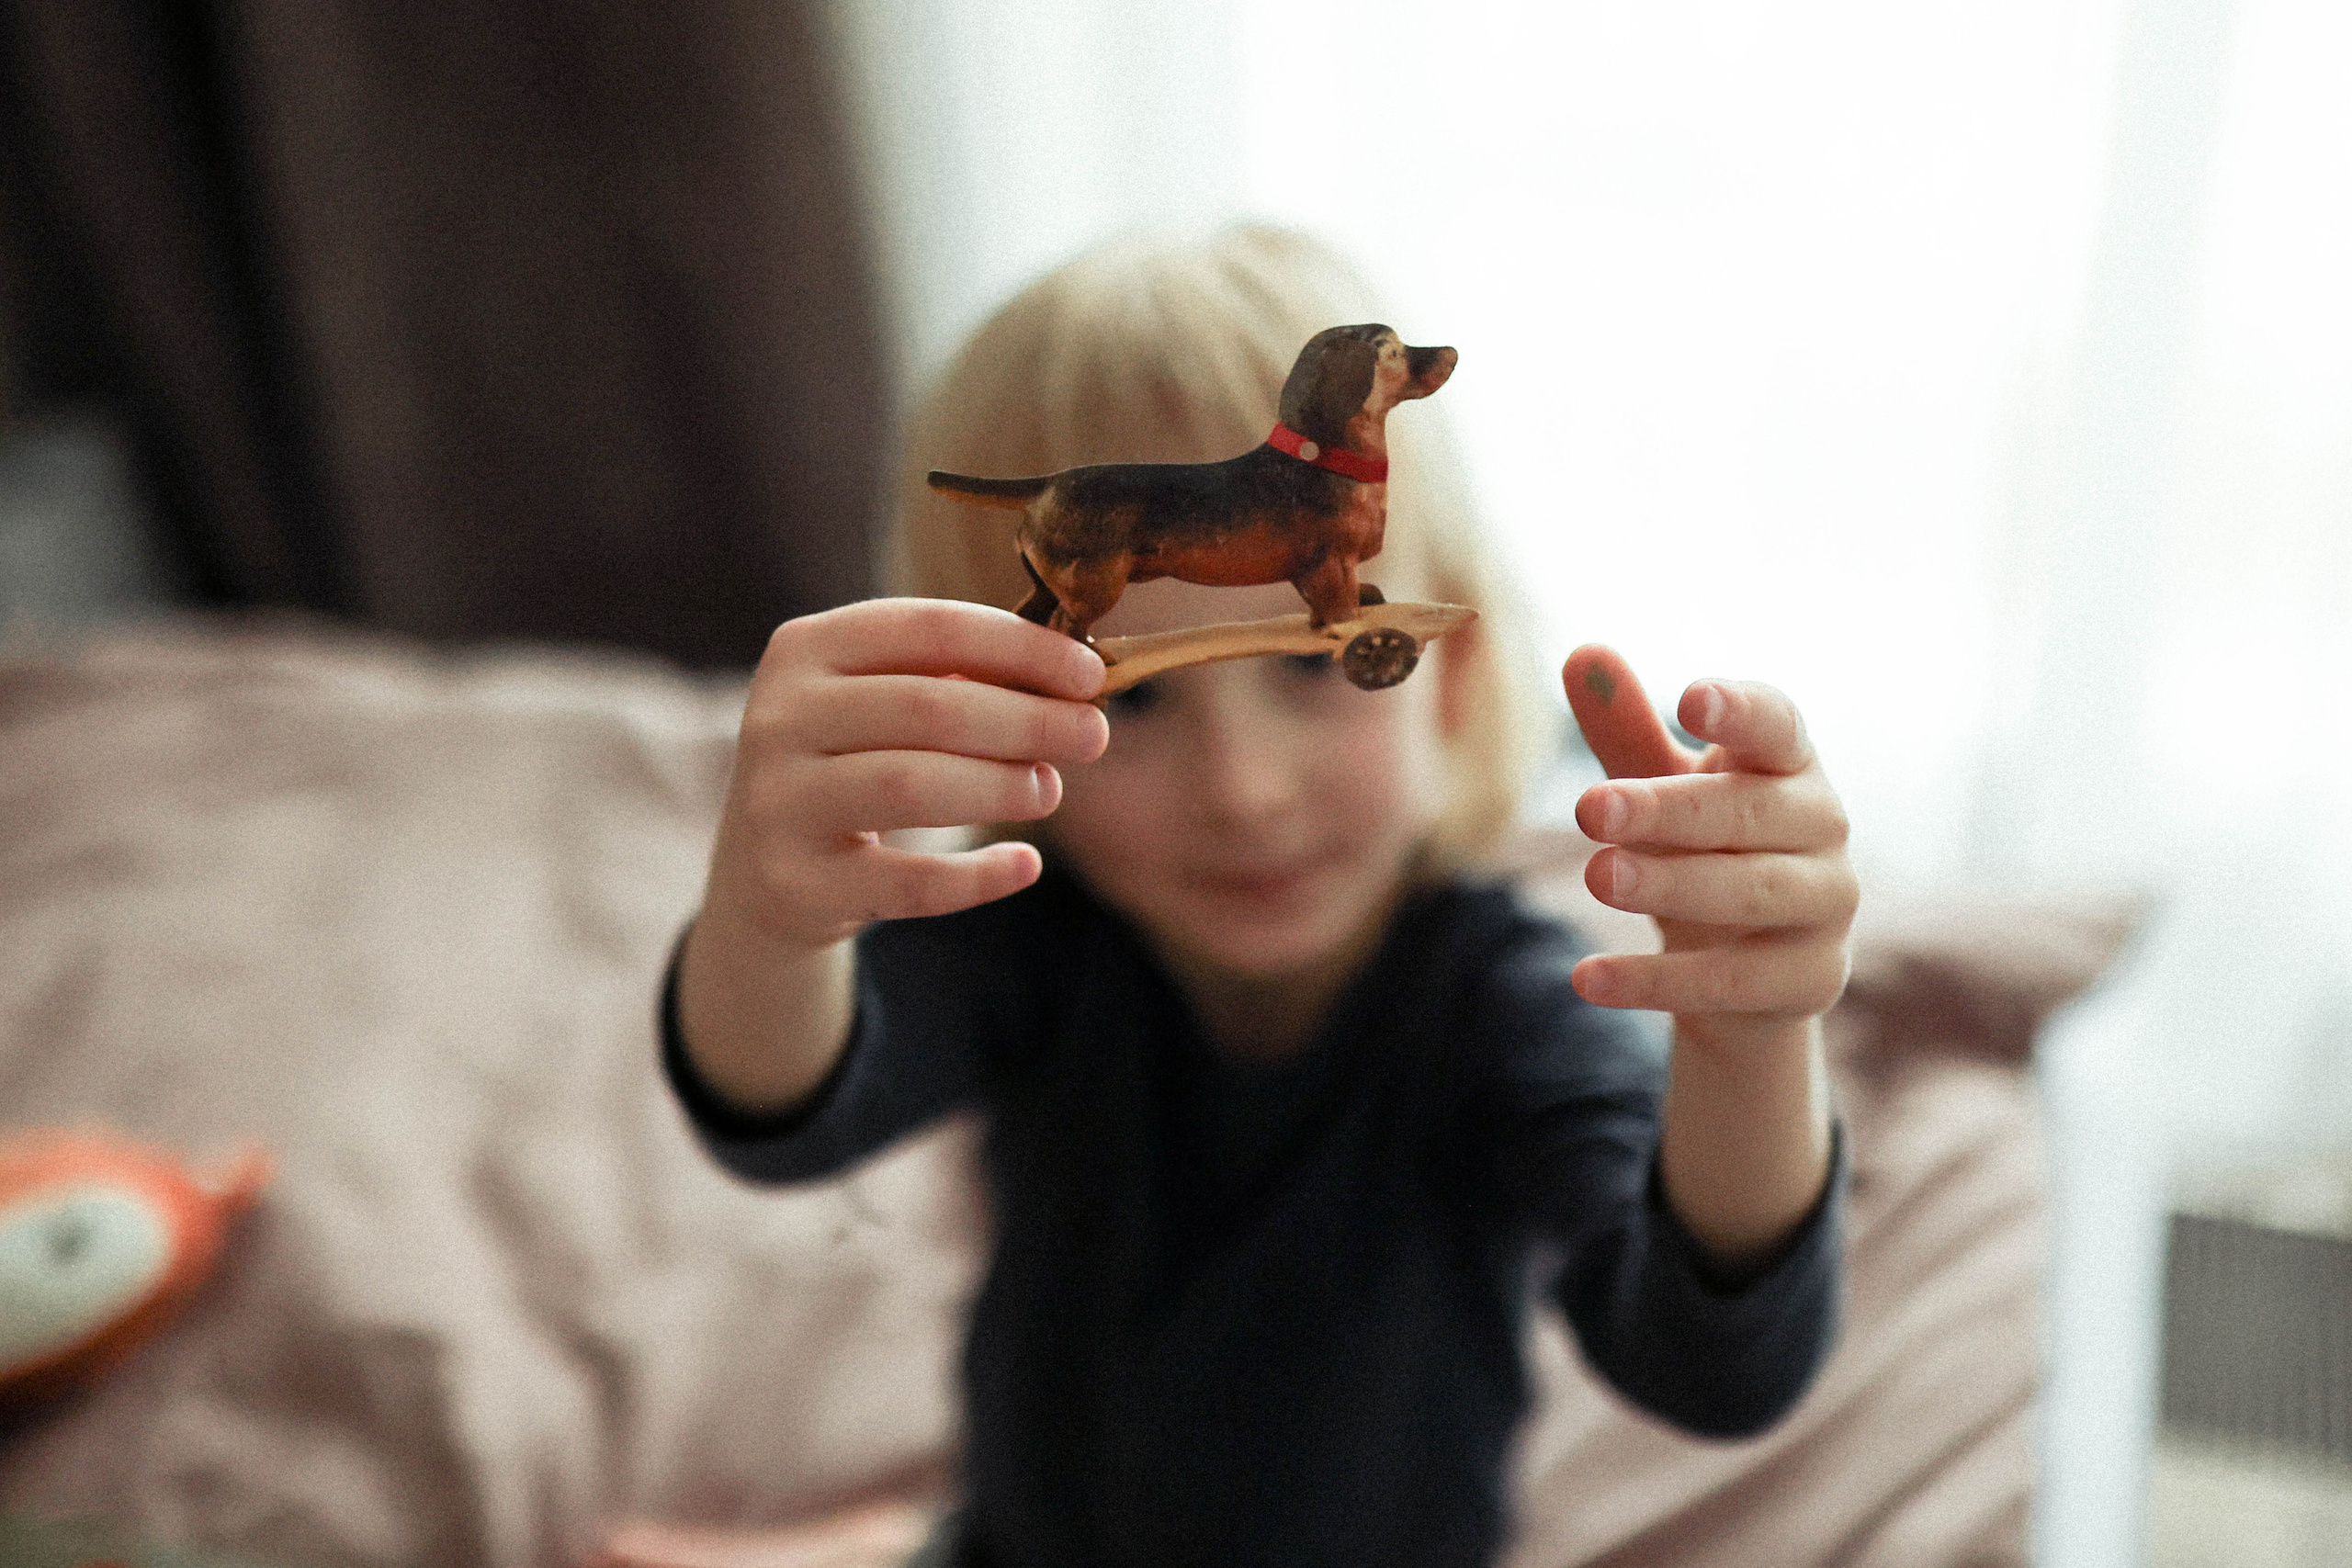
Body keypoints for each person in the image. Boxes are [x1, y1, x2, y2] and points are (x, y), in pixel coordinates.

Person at [661, 227, 1857, 1568]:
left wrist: (1751, 1038)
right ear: (995, 724)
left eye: (1316, 669)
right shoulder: (1036, 942)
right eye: (1142, 695)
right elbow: (780, 1116)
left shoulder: (1495, 1000)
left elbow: (1714, 1365)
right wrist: (771, 917)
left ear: (1452, 679)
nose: (1244, 792)